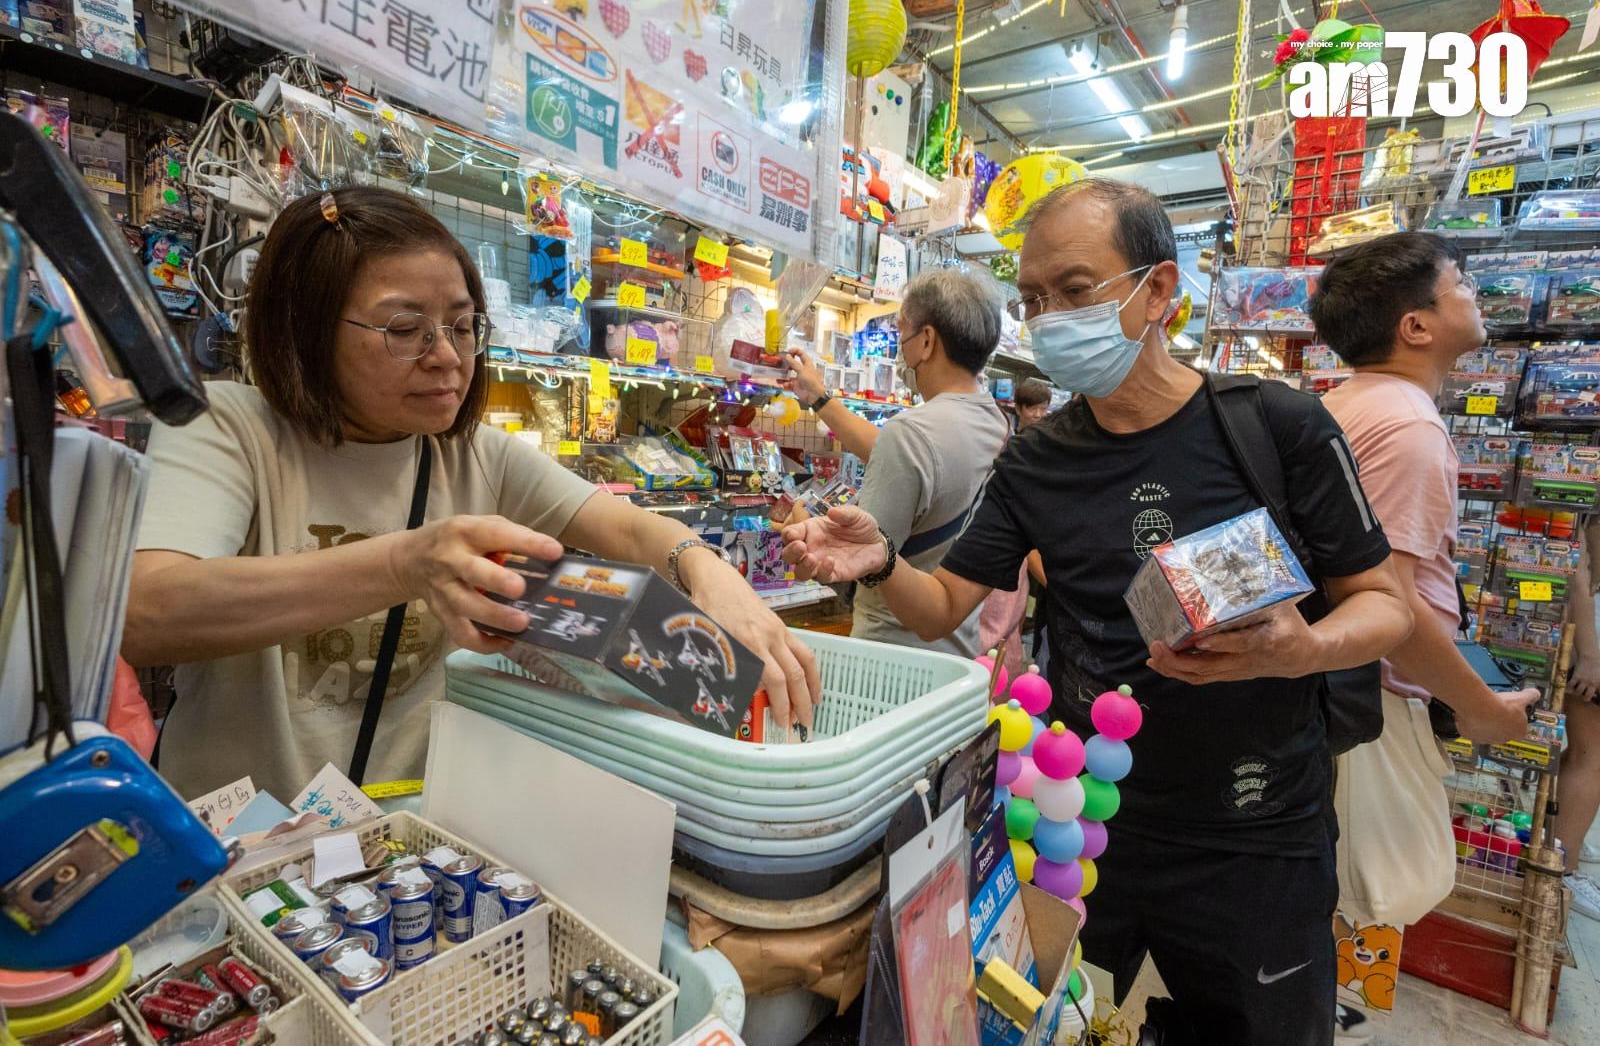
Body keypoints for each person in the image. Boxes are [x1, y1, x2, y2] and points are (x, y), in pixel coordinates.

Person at [782, 178, 1412, 1046]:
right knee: (1057, 1022)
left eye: (1075, 290)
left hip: (1257, 830)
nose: (1050, 318)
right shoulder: (1035, 459)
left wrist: (1298, 649)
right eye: (1033, 299)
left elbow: (1386, 607)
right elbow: (942, 606)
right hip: (1080, 821)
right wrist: (881, 560)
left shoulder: (1278, 425)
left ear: (1158, 291)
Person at [124, 186, 820, 799]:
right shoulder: (228, 427)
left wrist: (708, 569)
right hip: (239, 857)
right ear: (305, 329)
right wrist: (407, 563)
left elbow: (632, 529)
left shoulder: (473, 454)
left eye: (462, 327)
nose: (448, 357)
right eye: (405, 330)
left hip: (411, 845)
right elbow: (145, 610)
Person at [1313, 234, 1542, 1028]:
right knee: (1380, 889)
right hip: (1373, 706)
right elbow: (1392, 611)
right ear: (1415, 325)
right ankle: (1342, 1014)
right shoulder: (1409, 429)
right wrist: (1481, 706)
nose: (1475, 294)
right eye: (1461, 284)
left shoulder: (1343, 404)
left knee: (1342, 885)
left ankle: (1329, 1008)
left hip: (1336, 698)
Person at [780, 268, 1012, 658]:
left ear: (927, 340)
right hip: (958, 650)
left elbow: (858, 559)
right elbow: (914, 456)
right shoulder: (995, 422)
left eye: (902, 332)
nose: (899, 348)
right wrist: (820, 398)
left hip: (890, 654)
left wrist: (805, 524)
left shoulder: (911, 432)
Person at [1558, 526, 1600, 918]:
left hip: (1590, 639)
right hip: (1593, 641)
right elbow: (1581, 570)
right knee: (1591, 757)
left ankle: (1566, 839)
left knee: (1586, 754)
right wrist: (1589, 654)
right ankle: (1562, 868)